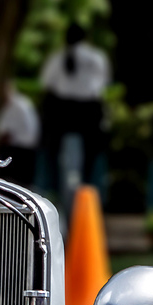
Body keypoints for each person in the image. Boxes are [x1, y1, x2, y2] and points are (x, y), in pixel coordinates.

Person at [39, 22, 110, 199]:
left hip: (63, 113)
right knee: (93, 158)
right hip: (89, 113)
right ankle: (91, 197)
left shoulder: (57, 58)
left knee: (51, 155)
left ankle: (52, 194)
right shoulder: (97, 57)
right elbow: (102, 85)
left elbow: (46, 83)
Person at [0, 84, 40, 186]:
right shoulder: (23, 103)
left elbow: (5, 132)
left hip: (18, 150)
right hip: (29, 148)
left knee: (12, 181)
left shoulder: (14, 106)